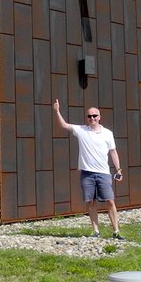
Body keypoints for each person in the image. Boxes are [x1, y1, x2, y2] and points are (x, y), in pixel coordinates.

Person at [52, 98, 124, 239]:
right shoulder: (81, 130)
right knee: (90, 202)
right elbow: (64, 125)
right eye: (89, 116)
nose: (92, 118)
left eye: (94, 116)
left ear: (99, 117)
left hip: (104, 173)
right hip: (87, 173)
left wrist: (119, 170)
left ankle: (116, 231)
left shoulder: (107, 133)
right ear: (87, 118)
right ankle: (95, 231)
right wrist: (57, 111)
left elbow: (113, 152)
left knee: (110, 201)